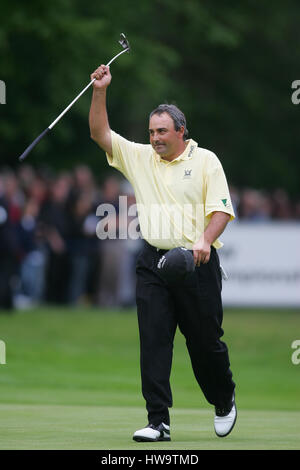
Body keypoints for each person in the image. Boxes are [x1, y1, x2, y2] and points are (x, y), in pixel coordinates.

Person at [89, 64, 237, 441]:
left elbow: (221, 210)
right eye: (151, 131)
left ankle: (223, 398)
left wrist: (204, 240)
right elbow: (100, 133)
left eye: (162, 131)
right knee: (153, 340)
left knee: (205, 344)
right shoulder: (140, 157)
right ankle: (158, 421)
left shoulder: (206, 161)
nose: (154, 138)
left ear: (180, 132)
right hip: (153, 262)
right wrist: (101, 90)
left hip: (196, 263)